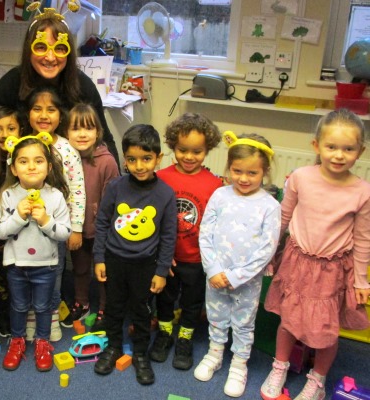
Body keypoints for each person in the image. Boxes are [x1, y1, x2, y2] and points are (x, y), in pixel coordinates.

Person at [261, 109, 370, 400]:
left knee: (326, 330)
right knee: (288, 320)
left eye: (348, 149)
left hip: (332, 271)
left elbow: (363, 240)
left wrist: (361, 282)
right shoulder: (301, 177)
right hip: (297, 262)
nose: (338, 155)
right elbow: (282, 219)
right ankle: (279, 365)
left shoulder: (362, 191)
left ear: (360, 151)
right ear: (316, 146)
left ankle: (317, 380)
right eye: (331, 146)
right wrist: (269, 255)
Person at [194, 131, 280, 398]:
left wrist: (236, 276)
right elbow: (205, 234)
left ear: (264, 172)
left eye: (252, 173)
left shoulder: (269, 205)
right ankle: (215, 353)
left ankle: (239, 363)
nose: (243, 178)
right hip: (216, 276)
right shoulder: (220, 196)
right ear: (229, 168)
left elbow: (267, 249)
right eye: (237, 171)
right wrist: (214, 269)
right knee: (217, 317)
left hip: (247, 281)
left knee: (243, 323)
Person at [93, 124, 177, 385]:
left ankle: (141, 353)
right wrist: (99, 258)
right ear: (125, 160)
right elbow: (103, 223)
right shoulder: (117, 187)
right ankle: (113, 347)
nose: (139, 166)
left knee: (141, 311)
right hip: (115, 261)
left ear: (158, 159)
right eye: (132, 159)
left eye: (146, 159)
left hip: (145, 265)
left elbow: (168, 236)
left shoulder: (165, 193)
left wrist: (162, 271)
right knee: (114, 308)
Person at [0, 6, 119, 165]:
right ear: (29, 49)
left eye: (60, 48)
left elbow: (104, 139)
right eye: (41, 47)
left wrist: (114, 184)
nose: (50, 57)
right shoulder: (7, 88)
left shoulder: (83, 86)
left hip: (74, 175)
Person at [0, 132, 71, 372]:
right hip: (16, 265)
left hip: (46, 265)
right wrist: (18, 216)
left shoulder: (55, 196)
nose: (31, 166)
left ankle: (42, 342)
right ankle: (17, 341)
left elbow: (65, 233)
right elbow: (0, 232)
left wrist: (45, 220)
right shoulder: (7, 195)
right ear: (14, 168)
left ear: (48, 167)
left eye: (38, 161)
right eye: (23, 161)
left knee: (43, 306)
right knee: (17, 305)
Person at [151, 113, 223, 370]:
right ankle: (165, 332)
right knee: (165, 298)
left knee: (193, 301)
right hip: (167, 256)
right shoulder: (161, 178)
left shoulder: (215, 185)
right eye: (182, 150)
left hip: (197, 258)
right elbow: (153, 219)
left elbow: (217, 225)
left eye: (197, 151)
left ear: (207, 150)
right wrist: (160, 253)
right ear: (172, 146)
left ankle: (185, 338)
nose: (189, 157)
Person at [26, 86, 85, 342]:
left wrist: (77, 227)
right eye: (37, 109)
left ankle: (50, 316)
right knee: (24, 273)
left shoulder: (67, 150)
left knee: (55, 274)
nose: (44, 115)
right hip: (23, 228)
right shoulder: (22, 145)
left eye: (51, 110)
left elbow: (77, 190)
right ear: (28, 114)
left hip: (55, 229)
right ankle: (29, 317)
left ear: (60, 116)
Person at [63, 103, 119, 330]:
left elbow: (112, 201)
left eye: (88, 128)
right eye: (76, 129)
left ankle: (105, 307)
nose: (83, 134)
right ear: (66, 133)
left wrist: (102, 227)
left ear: (98, 131)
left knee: (103, 271)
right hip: (76, 228)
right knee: (80, 268)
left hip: (101, 230)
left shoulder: (107, 162)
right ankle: (82, 302)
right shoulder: (65, 158)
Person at [0, 105, 26, 339]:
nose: (4, 135)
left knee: (17, 275)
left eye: (10, 128)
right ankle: (1, 313)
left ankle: (17, 312)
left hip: (20, 230)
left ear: (20, 131)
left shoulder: (23, 159)